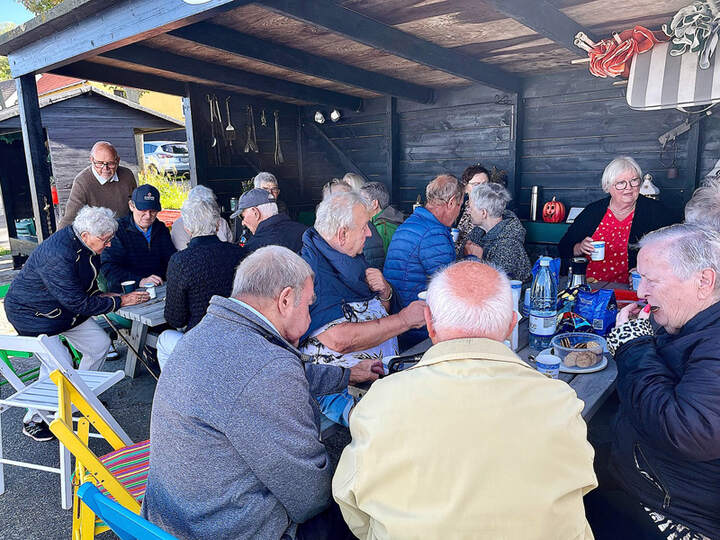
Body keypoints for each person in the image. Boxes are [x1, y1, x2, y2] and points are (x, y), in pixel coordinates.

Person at [333, 261, 597, 539]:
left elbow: (351, 502)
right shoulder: (560, 402)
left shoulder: (381, 402)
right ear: (510, 325)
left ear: (430, 324)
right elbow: (579, 489)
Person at [143, 246, 369, 540]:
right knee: (361, 507)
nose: (310, 317)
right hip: (222, 530)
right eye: (309, 306)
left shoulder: (205, 333)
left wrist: (347, 375)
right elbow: (310, 497)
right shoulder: (267, 367)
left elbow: (274, 375)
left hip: (172, 519)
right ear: (286, 300)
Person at [586, 223, 720, 539]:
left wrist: (633, 346)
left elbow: (689, 431)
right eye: (640, 278)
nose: (641, 292)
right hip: (643, 472)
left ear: (703, 281)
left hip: (673, 513)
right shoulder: (688, 323)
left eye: (651, 280)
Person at [4, 206, 148, 441]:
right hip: (32, 314)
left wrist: (101, 295)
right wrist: (120, 301)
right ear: (85, 236)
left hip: (62, 309)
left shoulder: (86, 243)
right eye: (106, 240)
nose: (109, 244)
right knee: (59, 363)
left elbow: (82, 286)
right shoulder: (58, 254)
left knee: (99, 345)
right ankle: (34, 418)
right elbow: (77, 302)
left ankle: (80, 397)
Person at [300, 191, 426, 426]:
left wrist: (385, 292)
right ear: (342, 234)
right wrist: (405, 320)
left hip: (381, 375)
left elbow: (376, 311)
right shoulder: (312, 270)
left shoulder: (348, 256)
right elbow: (339, 339)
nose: (370, 233)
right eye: (364, 227)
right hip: (342, 389)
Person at [157, 195, 246, 369]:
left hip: (201, 343)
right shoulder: (239, 253)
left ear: (187, 228)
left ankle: (173, 392)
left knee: (164, 339)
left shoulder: (181, 261)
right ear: (218, 224)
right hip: (239, 335)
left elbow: (176, 319)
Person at [558, 156, 676, 283]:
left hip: (633, 290)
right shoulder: (593, 211)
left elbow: (675, 250)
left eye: (634, 180)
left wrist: (646, 270)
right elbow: (564, 247)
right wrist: (580, 247)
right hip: (589, 286)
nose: (629, 187)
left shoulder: (656, 211)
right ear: (608, 187)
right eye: (621, 183)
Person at [384, 174, 461, 347]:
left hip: (400, 322)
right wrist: (473, 258)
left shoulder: (412, 223)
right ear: (451, 202)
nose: (458, 212)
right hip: (419, 331)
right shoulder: (433, 233)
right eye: (459, 205)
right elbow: (451, 287)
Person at [101, 184, 176, 293]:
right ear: (131, 206)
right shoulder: (117, 231)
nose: (148, 216)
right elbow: (108, 268)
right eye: (143, 210)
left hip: (159, 288)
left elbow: (171, 260)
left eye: (153, 211)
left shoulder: (161, 229)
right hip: (127, 292)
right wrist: (140, 281)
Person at [58, 141, 137, 228]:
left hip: (126, 229)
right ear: (91, 160)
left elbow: (136, 205)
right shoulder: (82, 182)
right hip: (99, 235)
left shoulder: (127, 175)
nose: (105, 168)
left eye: (110, 163)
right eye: (99, 163)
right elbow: (70, 218)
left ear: (118, 161)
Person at [464, 183, 531, 281]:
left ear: (483, 213)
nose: (468, 211)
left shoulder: (509, 247)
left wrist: (475, 259)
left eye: (471, 207)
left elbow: (493, 287)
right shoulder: (477, 232)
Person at [230, 188, 307, 254]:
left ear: (255, 213)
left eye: (242, 216)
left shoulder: (254, 247)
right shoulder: (305, 231)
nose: (243, 222)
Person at [169, 186, 232, 250]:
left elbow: (230, 244)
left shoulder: (221, 221)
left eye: (208, 204)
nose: (203, 209)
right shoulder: (179, 225)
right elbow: (183, 250)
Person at [454, 163, 490, 255]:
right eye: (476, 184)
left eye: (485, 184)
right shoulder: (458, 208)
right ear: (465, 188)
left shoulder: (492, 211)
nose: (481, 188)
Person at [360, 181, 405, 252]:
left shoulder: (380, 228)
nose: (359, 204)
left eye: (362, 200)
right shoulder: (391, 218)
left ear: (374, 204)